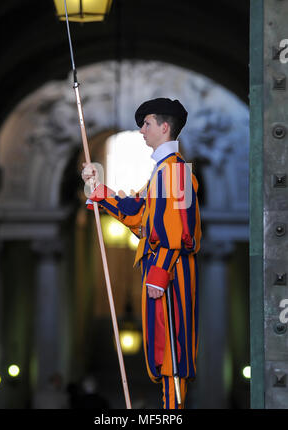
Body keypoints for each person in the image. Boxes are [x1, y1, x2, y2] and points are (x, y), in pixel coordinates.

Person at [81, 98, 201, 409]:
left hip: (170, 275)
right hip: (161, 274)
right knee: (162, 352)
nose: (141, 130)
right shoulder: (162, 172)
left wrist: (160, 273)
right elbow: (141, 215)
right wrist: (99, 191)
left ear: (164, 127)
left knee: (171, 352)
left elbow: (180, 234)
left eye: (146, 124)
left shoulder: (177, 172)